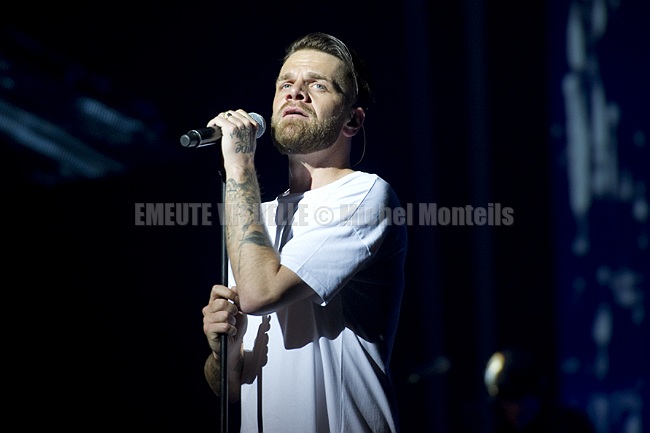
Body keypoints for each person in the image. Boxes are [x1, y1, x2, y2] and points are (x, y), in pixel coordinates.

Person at [201, 32, 407, 433]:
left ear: (352, 120)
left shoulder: (365, 195)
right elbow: (230, 389)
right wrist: (222, 352)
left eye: (318, 85)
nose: (295, 93)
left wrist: (239, 166)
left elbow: (260, 294)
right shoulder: (255, 215)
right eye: (286, 84)